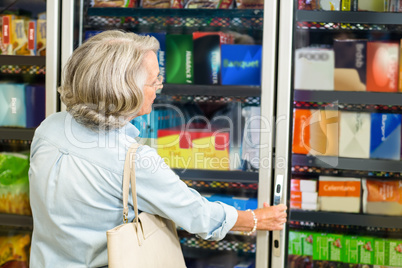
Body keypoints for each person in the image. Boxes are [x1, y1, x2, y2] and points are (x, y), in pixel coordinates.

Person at [28, 30, 287, 267]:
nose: (159, 88)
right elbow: (198, 216)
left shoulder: (49, 128)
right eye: (153, 82)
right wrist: (256, 218)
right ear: (125, 91)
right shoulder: (132, 160)